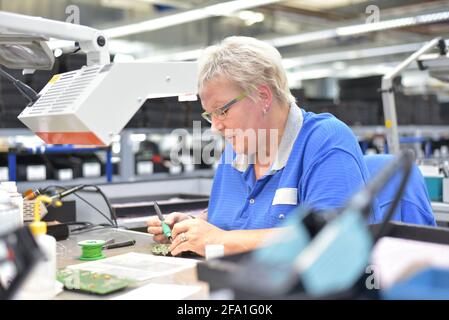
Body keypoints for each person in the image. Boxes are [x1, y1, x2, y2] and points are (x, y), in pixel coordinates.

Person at [147, 36, 378, 257]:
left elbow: (335, 241)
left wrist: (219, 240)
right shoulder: (237, 150)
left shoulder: (325, 140)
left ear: (263, 97)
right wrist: (194, 226)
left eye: (222, 110)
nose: (215, 127)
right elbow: (232, 218)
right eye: (210, 115)